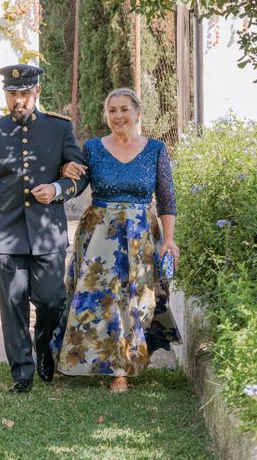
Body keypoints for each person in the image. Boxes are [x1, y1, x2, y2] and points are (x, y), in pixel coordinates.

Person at [50, 87, 181, 392]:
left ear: (137, 113)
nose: (119, 116)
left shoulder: (156, 149)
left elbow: (166, 198)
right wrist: (64, 170)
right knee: (97, 300)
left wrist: (169, 241)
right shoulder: (93, 148)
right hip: (98, 234)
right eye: (112, 110)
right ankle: (93, 362)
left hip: (140, 234)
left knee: (135, 299)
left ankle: (122, 367)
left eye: (124, 109)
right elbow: (78, 182)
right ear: (106, 115)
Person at [0, 64, 88, 393]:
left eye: (24, 93)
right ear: (6, 95)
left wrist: (58, 189)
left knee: (52, 299)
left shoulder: (59, 129)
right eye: (12, 94)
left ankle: (45, 345)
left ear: (36, 92)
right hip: (5, 232)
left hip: (48, 231)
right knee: (12, 302)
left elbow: (80, 175)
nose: (18, 100)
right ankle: (22, 371)